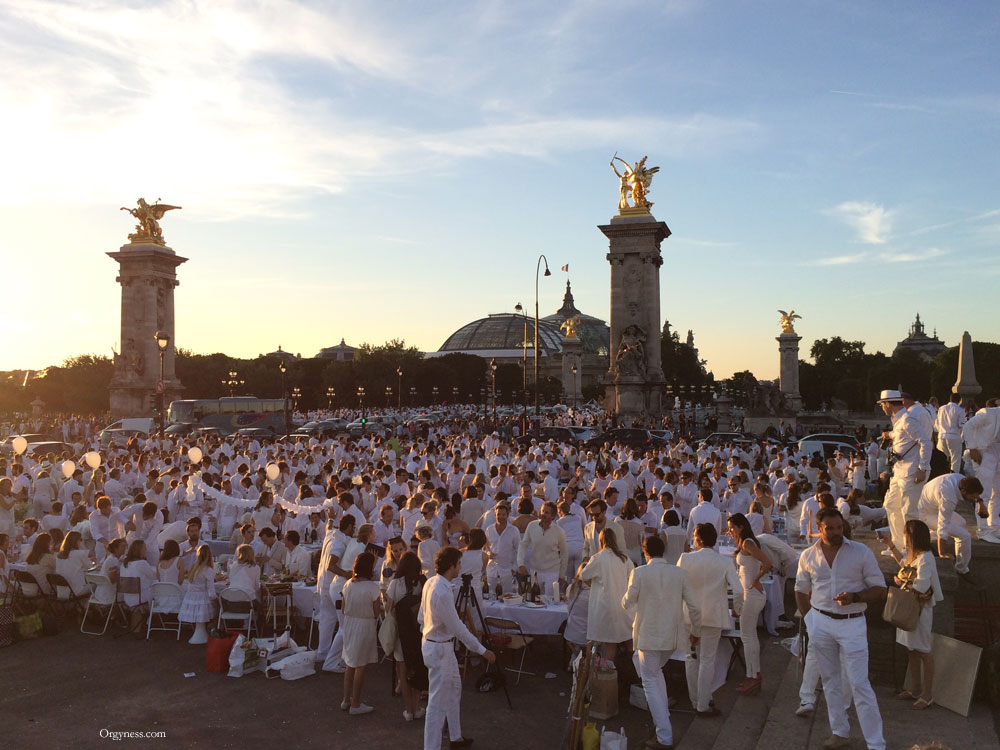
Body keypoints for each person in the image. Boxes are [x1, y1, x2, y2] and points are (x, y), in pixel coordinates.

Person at [795, 508, 886, 750]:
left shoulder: (861, 552)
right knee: (830, 681)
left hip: (852, 623)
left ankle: (876, 743)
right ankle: (839, 731)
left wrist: (856, 596)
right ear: (819, 529)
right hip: (821, 622)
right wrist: (810, 622)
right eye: (830, 528)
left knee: (859, 683)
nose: (836, 532)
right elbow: (800, 590)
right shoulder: (808, 556)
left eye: (839, 527)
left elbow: (879, 588)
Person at [622, 535, 701, 750]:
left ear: (644, 552)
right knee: (656, 675)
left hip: (648, 635)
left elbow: (627, 603)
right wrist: (695, 631)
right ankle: (662, 721)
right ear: (663, 550)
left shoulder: (639, 573)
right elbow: (694, 606)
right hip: (672, 637)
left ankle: (664, 735)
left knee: (649, 680)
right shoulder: (679, 573)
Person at [419, 546, 496, 750]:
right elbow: (459, 629)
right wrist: (483, 651)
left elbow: (421, 617)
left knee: (454, 688)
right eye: (459, 564)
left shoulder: (431, 583)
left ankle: (456, 737)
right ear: (451, 566)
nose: (460, 567)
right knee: (436, 705)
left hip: (437, 645)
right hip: (439, 648)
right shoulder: (441, 591)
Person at [678, 523, 743, 716]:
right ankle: (703, 703)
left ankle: (696, 700)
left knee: (691, 658)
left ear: (697, 539)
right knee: (707, 660)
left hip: (689, 615)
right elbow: (738, 590)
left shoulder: (685, 558)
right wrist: (737, 610)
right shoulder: (724, 562)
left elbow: (676, 585)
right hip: (713, 616)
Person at [880, 520, 942, 709]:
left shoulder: (926, 558)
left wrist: (900, 583)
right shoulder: (916, 555)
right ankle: (915, 688)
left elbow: (921, 584)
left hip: (919, 610)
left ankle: (927, 694)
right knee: (912, 649)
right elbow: (904, 562)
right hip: (911, 607)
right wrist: (890, 545)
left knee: (923, 651)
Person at [878, 389, 932, 553]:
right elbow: (902, 434)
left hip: (912, 471)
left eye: (882, 405)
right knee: (891, 505)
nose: (882, 408)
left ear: (887, 404)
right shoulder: (901, 420)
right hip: (900, 471)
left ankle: (912, 548)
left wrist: (923, 468)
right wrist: (890, 435)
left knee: (909, 511)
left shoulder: (907, 420)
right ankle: (898, 544)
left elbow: (926, 442)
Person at [727, 512, 772, 695]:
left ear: (741, 527)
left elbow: (768, 563)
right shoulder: (742, 543)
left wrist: (756, 580)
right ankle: (752, 674)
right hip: (748, 594)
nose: (730, 531)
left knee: (748, 637)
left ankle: (753, 675)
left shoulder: (747, 543)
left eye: (732, 528)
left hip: (752, 594)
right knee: (749, 636)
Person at [579, 527, 634, 658]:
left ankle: (608, 672)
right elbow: (633, 575)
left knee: (610, 641)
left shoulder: (598, 558)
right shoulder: (624, 558)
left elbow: (583, 575)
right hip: (622, 604)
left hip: (605, 605)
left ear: (601, 541)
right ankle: (634, 668)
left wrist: (592, 583)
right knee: (628, 638)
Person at [385, 550, 426, 721]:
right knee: (417, 667)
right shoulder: (423, 582)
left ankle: (408, 710)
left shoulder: (395, 583)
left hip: (401, 632)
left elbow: (388, 608)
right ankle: (417, 707)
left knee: (403, 669)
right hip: (418, 632)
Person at [340, 552, 383, 715]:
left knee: (350, 663)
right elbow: (376, 612)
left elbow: (343, 608)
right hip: (364, 625)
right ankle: (356, 703)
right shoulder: (373, 587)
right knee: (360, 665)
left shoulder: (348, 584)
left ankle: (346, 699)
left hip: (349, 623)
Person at [916, 474, 983, 576]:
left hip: (934, 506)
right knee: (965, 536)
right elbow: (943, 524)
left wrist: (980, 503)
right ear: (963, 492)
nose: (975, 499)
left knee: (962, 523)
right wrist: (942, 552)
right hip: (925, 514)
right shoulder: (948, 496)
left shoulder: (962, 480)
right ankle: (961, 569)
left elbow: (976, 491)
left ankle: (931, 536)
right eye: (973, 497)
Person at [517, 500, 568, 593]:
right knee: (534, 601)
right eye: (542, 511)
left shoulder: (559, 532)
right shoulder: (532, 526)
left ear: (553, 516)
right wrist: (520, 563)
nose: (543, 514)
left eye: (547, 512)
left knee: (549, 603)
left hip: (552, 572)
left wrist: (561, 575)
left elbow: (564, 554)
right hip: (535, 571)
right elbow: (523, 544)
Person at [179, 545, 218, 645]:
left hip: (191, 597)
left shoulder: (193, 567)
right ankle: (213, 628)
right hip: (202, 599)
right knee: (218, 608)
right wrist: (216, 600)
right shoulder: (208, 570)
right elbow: (211, 591)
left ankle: (202, 632)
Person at [485, 501, 520, 594]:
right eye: (498, 514)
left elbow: (518, 550)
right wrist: (488, 554)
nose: (500, 517)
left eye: (503, 514)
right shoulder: (489, 529)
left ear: (507, 515)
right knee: (490, 596)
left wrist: (514, 568)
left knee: (507, 596)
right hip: (492, 568)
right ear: (495, 515)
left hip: (507, 569)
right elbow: (485, 547)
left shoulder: (513, 530)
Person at [55, 530, 93, 598]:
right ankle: (95, 606)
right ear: (76, 541)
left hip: (61, 591)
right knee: (96, 585)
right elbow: (90, 567)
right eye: (80, 539)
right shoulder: (80, 554)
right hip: (76, 591)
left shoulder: (59, 555)